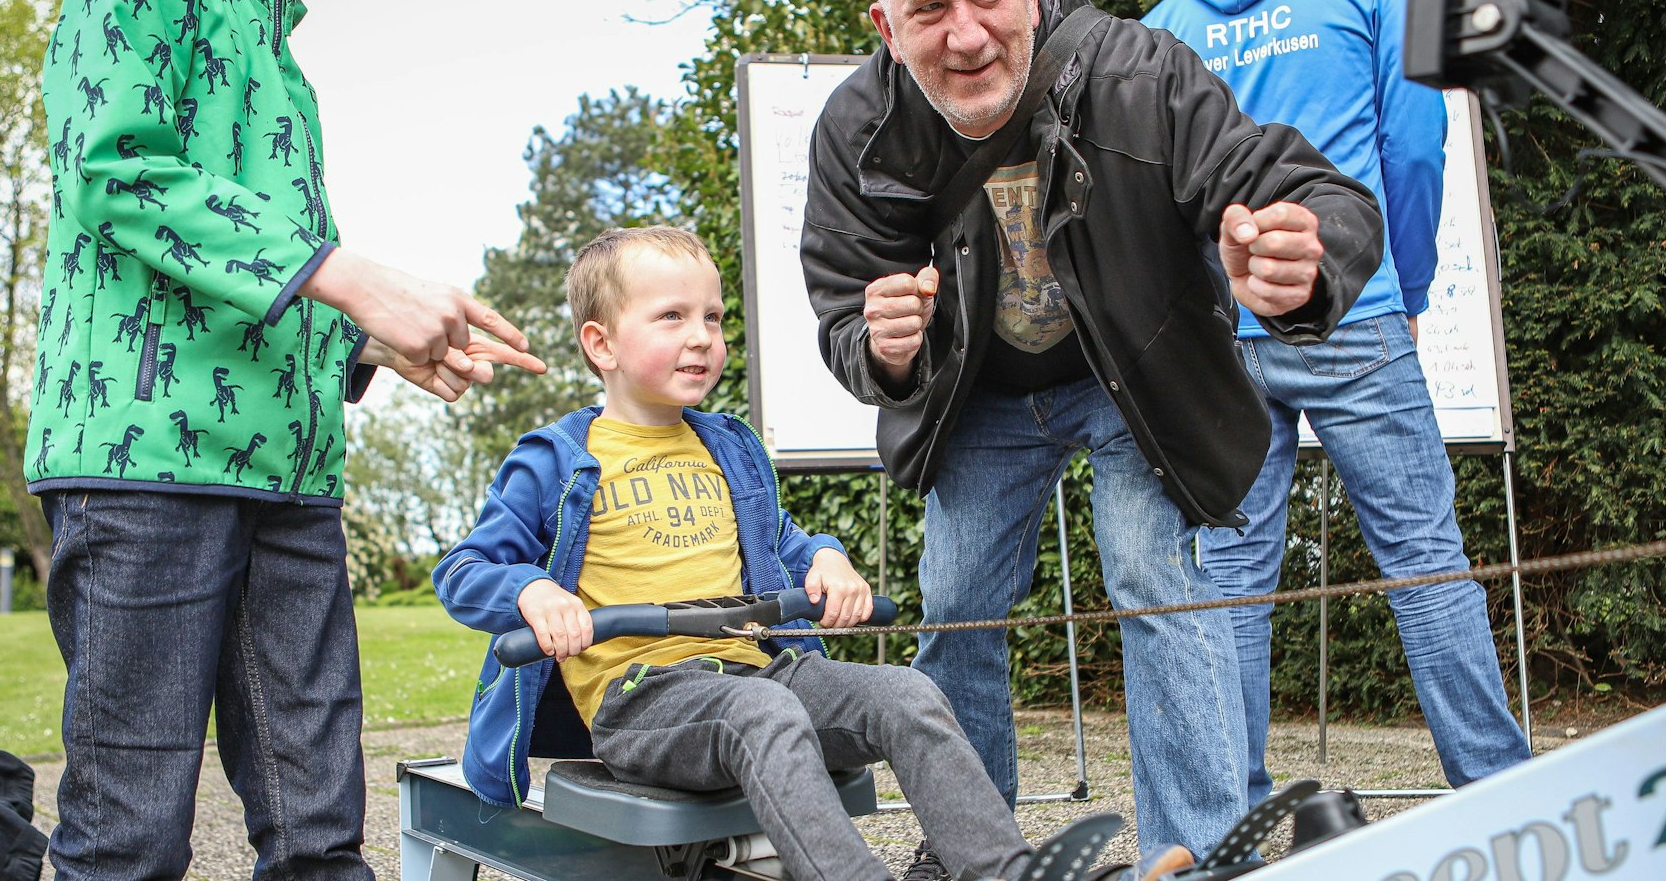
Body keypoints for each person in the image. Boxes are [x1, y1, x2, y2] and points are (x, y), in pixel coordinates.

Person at [23, 0, 546, 875]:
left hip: (294, 483)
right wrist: (348, 277)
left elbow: (256, 278)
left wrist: (367, 339)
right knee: (128, 835)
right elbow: (116, 173)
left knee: (319, 832)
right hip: (144, 473)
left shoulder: (285, 67)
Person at [799, 0, 1386, 869]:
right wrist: (885, 348)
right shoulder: (855, 127)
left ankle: (1197, 855)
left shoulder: (1138, 71)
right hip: (978, 397)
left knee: (1160, 584)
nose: (968, 34)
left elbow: (1307, 190)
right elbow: (842, 307)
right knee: (955, 606)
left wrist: (1306, 255)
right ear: (887, 27)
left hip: (1136, 378)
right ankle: (973, 852)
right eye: (929, 9)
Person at [433, 227, 1174, 881]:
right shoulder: (557, 458)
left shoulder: (727, 447)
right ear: (601, 344)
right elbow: (464, 572)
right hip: (645, 699)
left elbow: (783, 540)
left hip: (764, 671)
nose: (703, 337)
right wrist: (531, 591)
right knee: (762, 711)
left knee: (907, 693)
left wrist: (826, 559)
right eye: (672, 317)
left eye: (713, 317)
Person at [1143, 0, 1531, 808]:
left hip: (1224, 330)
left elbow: (1150, 196)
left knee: (1231, 578)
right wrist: (1407, 281)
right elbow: (1415, 142)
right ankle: (1500, 796)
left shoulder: (1167, 25)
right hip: (1350, 303)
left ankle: (1229, 814)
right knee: (1424, 559)